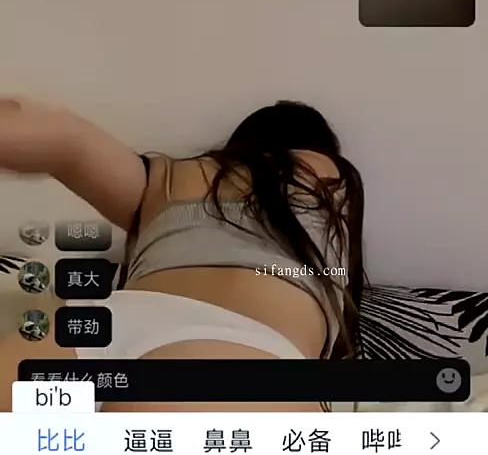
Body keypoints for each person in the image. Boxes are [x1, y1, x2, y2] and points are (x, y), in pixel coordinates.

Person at [0, 96, 364, 411]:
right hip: (237, 349)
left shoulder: (173, 175)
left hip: (98, 328)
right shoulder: (330, 178)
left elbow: (67, 142)